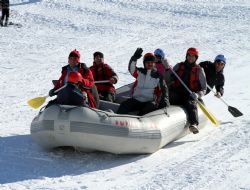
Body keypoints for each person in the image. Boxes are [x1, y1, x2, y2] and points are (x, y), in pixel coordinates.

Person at [117, 48, 169, 116]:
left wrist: (165, 101)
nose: (150, 64)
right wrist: (134, 58)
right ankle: (118, 120)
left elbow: (164, 89)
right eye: (147, 62)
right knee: (125, 104)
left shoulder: (158, 76)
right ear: (144, 64)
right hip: (136, 100)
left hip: (149, 101)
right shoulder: (140, 72)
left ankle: (139, 121)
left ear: (154, 64)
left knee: (150, 107)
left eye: (151, 62)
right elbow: (131, 68)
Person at [169, 47, 207, 134]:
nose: (190, 57)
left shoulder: (199, 70)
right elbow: (168, 77)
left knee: (191, 103)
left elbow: (204, 89)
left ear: (196, 58)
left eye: (193, 56)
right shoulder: (179, 66)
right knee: (168, 97)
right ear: (186, 56)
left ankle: (193, 124)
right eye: (189, 55)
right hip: (177, 92)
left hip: (191, 95)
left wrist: (198, 95)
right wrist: (168, 70)